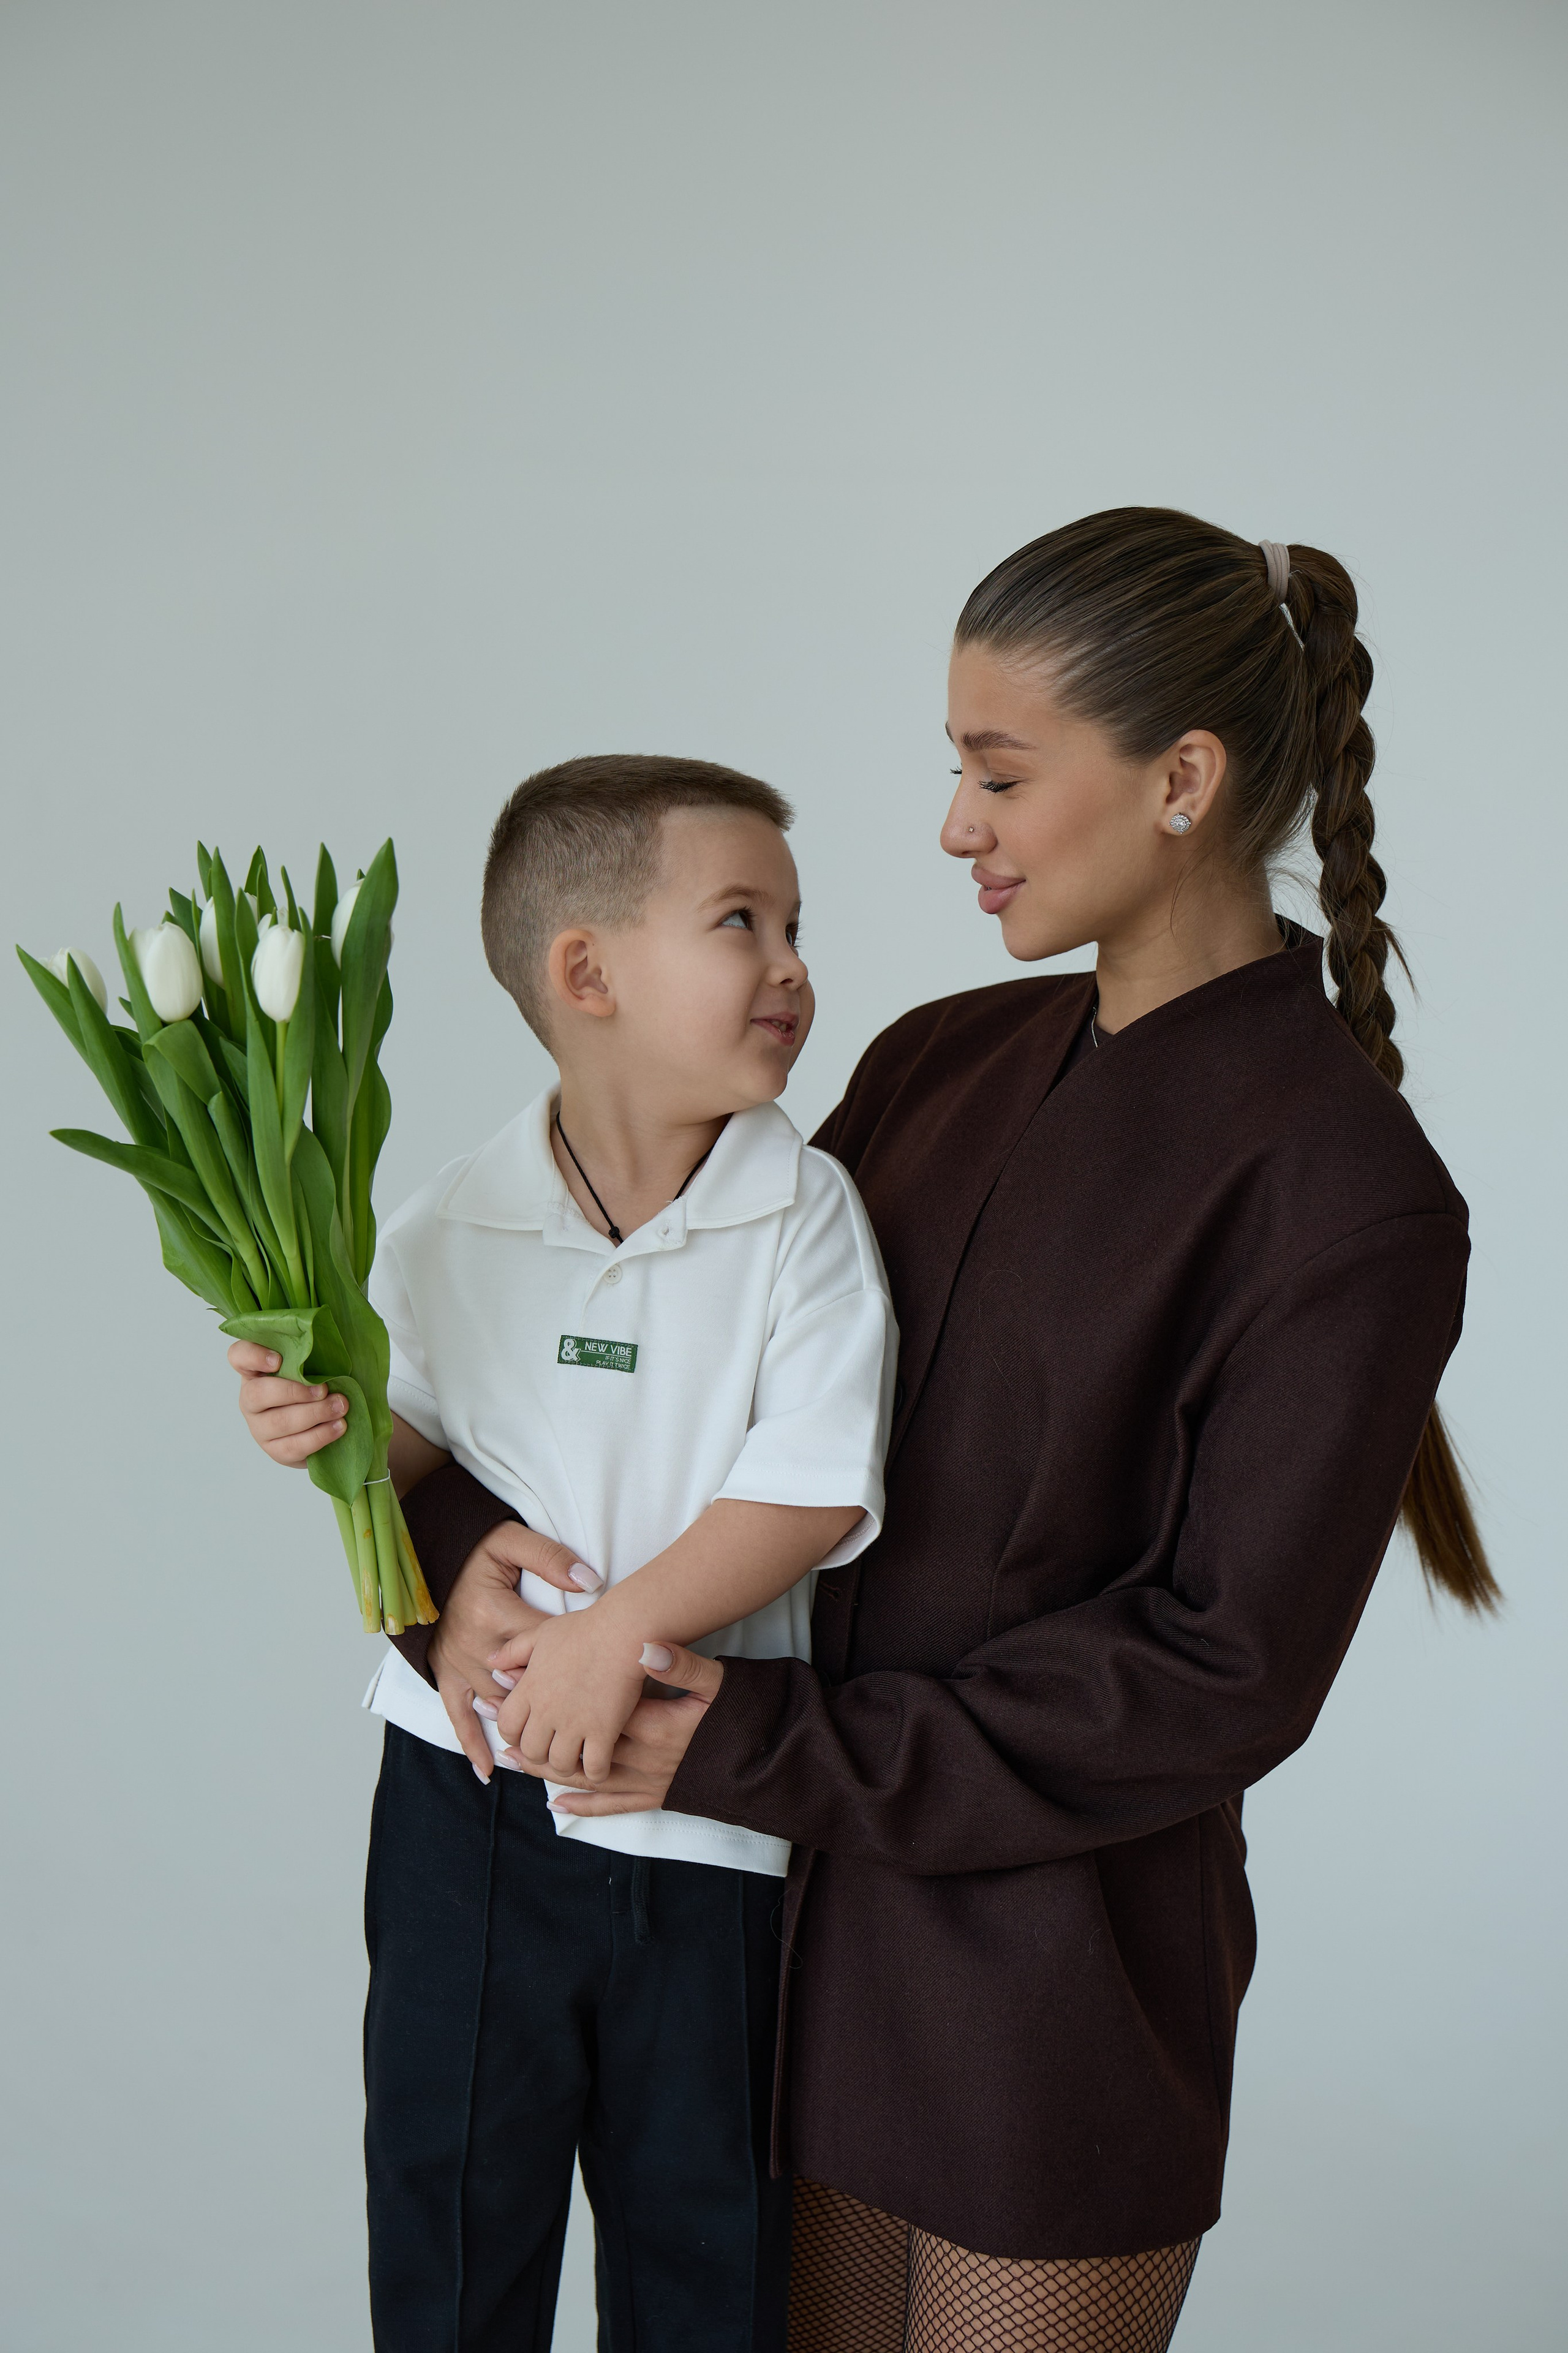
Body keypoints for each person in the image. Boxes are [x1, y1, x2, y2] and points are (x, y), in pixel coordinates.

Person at [410, 510, 1497, 2352]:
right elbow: (687, 1378)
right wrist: (436, 1538)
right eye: (955, 770)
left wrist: (749, 1735)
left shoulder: (1351, 1193)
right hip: (779, 1950)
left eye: (999, 771)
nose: (952, 825)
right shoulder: (937, 1059)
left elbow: (1215, 1677)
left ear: (1185, 779)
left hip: (1056, 2001)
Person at [227, 754, 896, 2353]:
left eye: (798, 922)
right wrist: (315, 1416)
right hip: (463, 1816)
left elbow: (809, 1487)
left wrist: (628, 1628)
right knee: (452, 2225)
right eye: (743, 920)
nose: (794, 965)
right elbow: (411, 1455)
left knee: (706, 2254)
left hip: (706, 1836)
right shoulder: (456, 1219)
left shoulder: (805, 1214)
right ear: (584, 973)